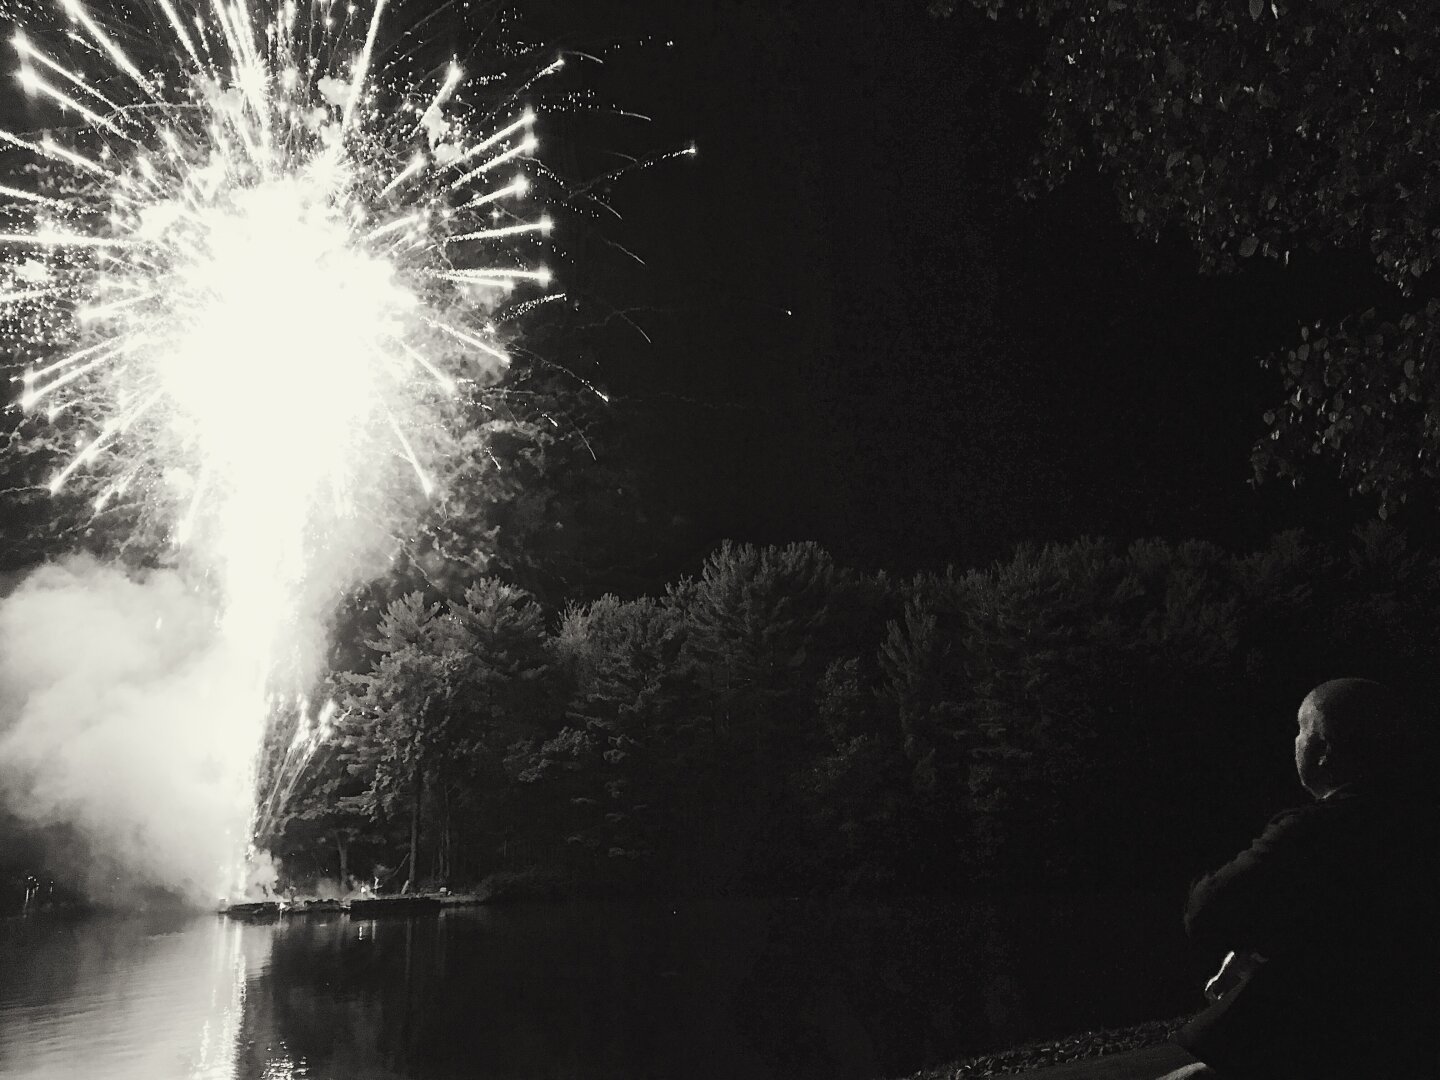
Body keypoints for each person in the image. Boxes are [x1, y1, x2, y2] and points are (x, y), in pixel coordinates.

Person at [1158, 678, 1440, 1079]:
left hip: (1350, 1047)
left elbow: (1206, 911)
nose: (1294, 741)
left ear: (1323, 750)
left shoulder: (1314, 833)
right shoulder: (1419, 823)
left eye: (1300, 729)